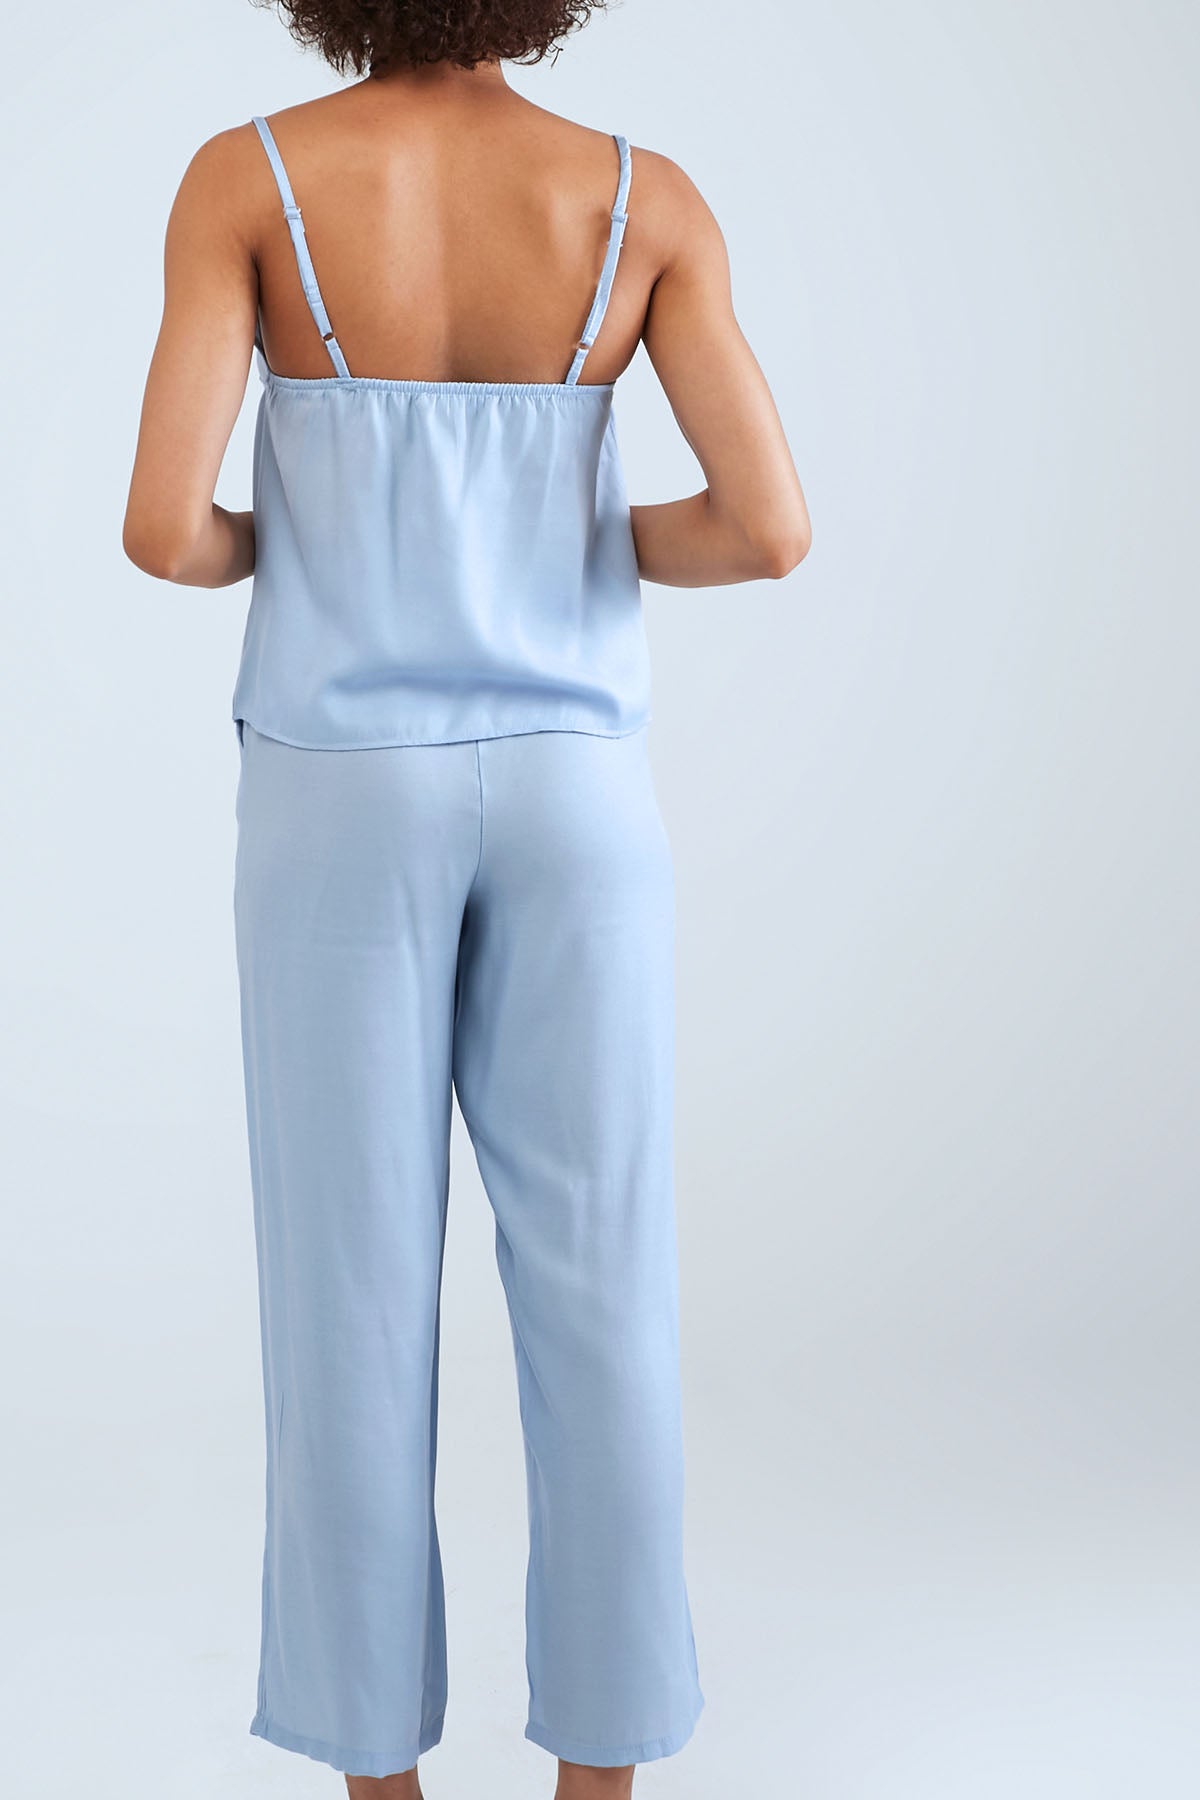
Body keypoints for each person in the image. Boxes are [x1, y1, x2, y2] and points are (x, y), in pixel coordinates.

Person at [122, 2, 811, 1795]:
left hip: (339, 792)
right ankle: (603, 1777)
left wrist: (320, 540)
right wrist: (552, 541)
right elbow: (767, 527)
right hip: (578, 793)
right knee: (603, 1284)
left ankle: (381, 1779)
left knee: (348, 1295)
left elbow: (164, 531)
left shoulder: (250, 181)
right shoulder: (641, 199)